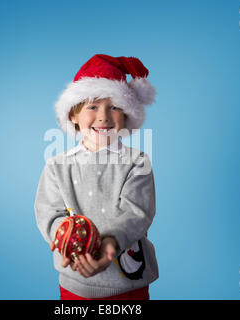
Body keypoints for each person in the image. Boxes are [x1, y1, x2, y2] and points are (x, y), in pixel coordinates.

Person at [34, 54, 159, 300]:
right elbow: (49, 214)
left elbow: (137, 213)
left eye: (114, 107)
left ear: (125, 117)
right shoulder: (57, 166)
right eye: (93, 106)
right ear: (73, 115)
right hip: (75, 281)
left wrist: (110, 242)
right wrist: (69, 240)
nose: (103, 116)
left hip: (129, 286)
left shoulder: (137, 162)